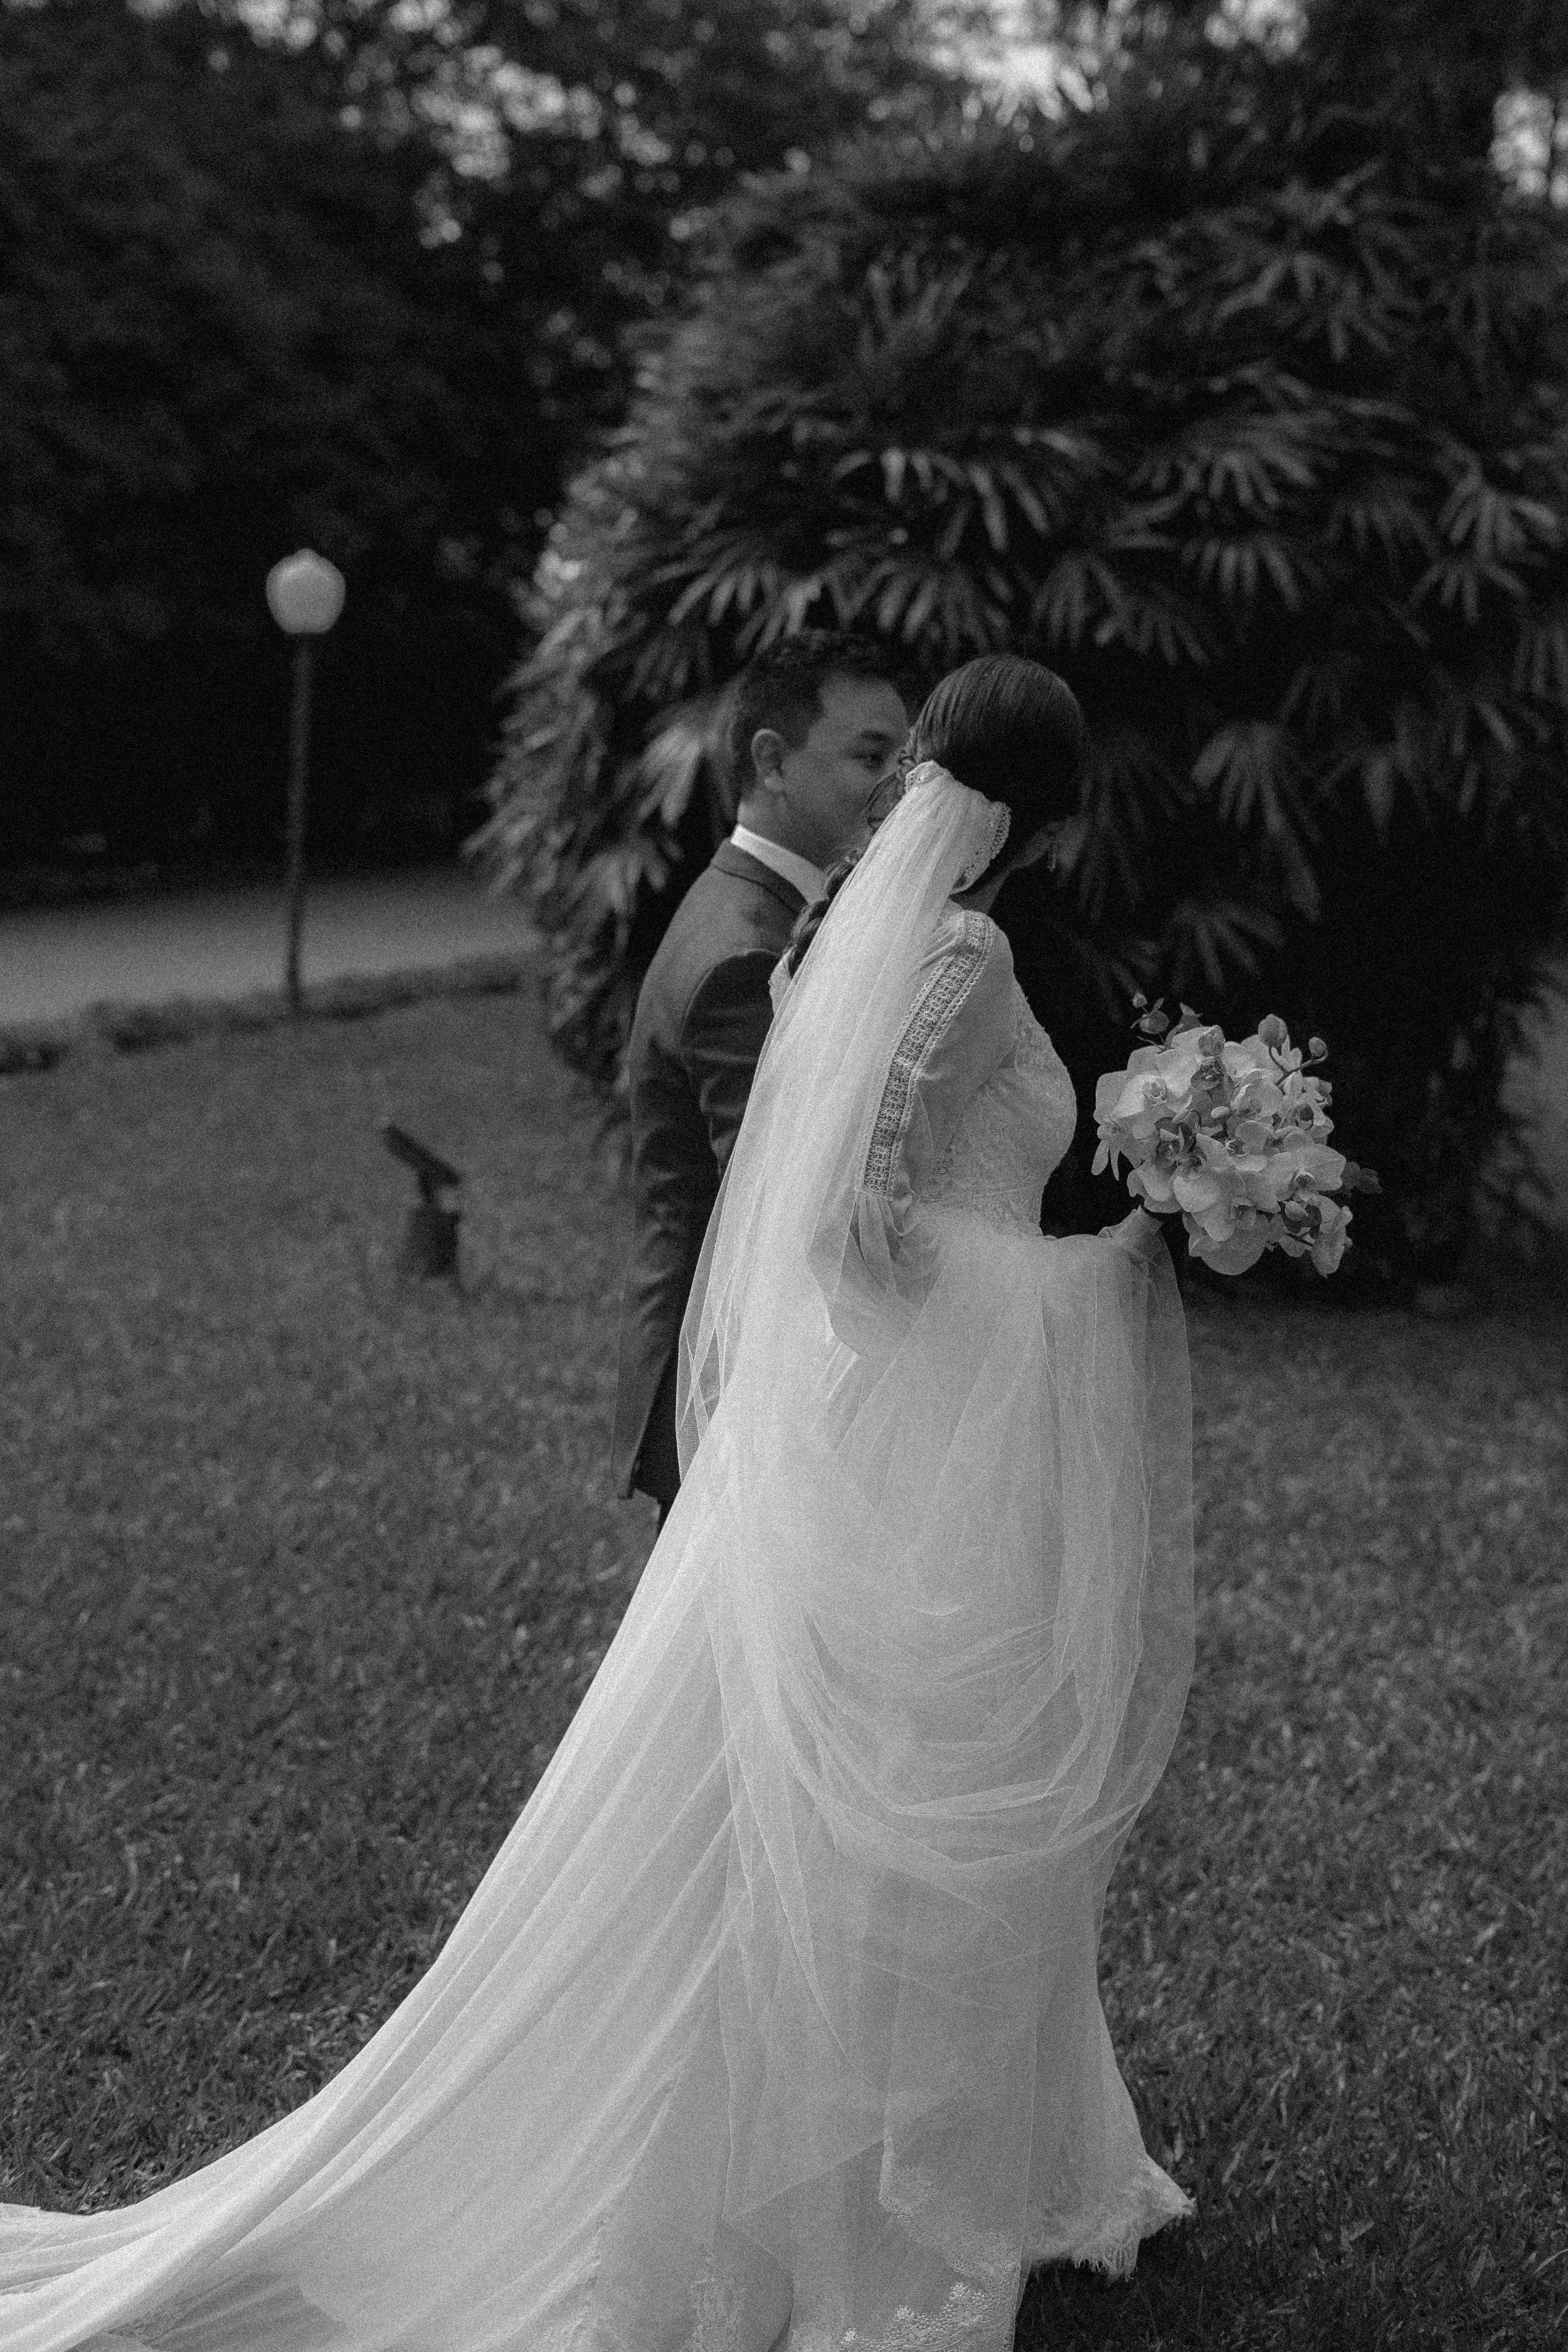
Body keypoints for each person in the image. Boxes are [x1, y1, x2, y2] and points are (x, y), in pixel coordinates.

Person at [0, 655, 1195, 2352]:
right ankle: (844, 2212)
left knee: (882, 1811)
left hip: (900, 1429)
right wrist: (1091, 1268)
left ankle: (967, 2163)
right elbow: (855, 1222)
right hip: (920, 1440)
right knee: (896, 1814)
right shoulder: (963, 951)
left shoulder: (867, 939)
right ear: (1055, 811)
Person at [612, 632, 909, 1523]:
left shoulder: (761, 907)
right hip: (726, 1382)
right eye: (870, 755)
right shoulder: (745, 952)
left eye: (907, 756)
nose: (899, 784)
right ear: (772, 762)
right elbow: (787, 1201)